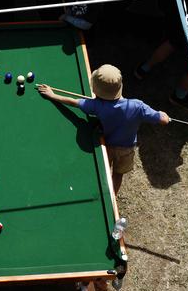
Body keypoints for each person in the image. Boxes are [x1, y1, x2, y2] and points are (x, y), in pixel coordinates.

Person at [37, 65, 169, 195]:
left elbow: (73, 102)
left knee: (103, 171)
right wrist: (164, 115)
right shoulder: (138, 106)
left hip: (106, 145)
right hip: (126, 150)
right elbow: (162, 120)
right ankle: (112, 198)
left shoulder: (95, 105)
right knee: (117, 175)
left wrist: (52, 95)